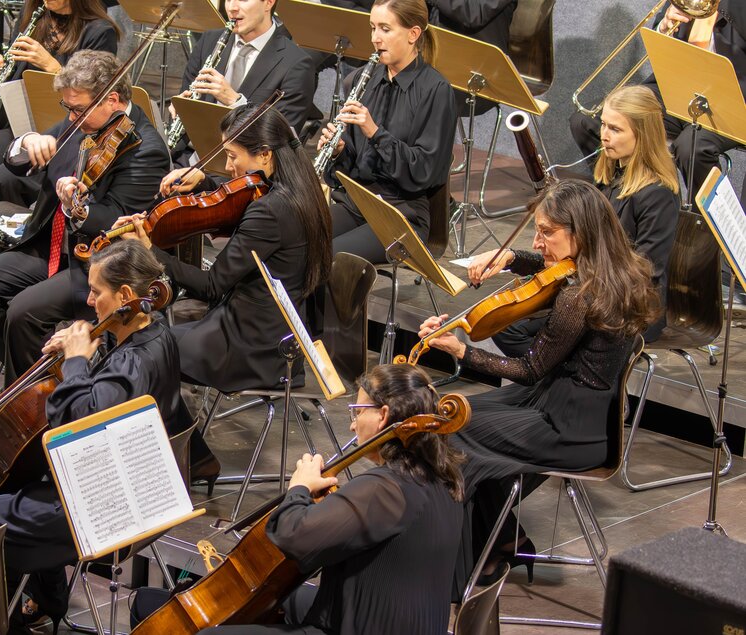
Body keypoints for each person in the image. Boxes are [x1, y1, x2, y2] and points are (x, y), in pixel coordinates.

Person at [418, 180, 660, 584]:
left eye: (547, 232)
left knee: (452, 428)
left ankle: (469, 560)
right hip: (583, 410)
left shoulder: (576, 299)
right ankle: (500, 543)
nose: (538, 240)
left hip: (566, 426)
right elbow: (551, 267)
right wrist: (514, 257)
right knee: (458, 417)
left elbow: (530, 368)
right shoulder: (617, 270)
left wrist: (462, 352)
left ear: (580, 233)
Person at [0, 240, 193, 634]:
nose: (90, 299)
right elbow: (109, 394)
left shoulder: (133, 362)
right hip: (126, 486)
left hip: (96, 505)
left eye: (97, 292)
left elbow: (79, 429)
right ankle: (45, 600)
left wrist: (78, 361)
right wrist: (81, 350)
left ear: (126, 297)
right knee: (20, 487)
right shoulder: (155, 333)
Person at [125, 105, 332, 486]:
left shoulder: (270, 213)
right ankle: (192, 454)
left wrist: (150, 252)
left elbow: (211, 285)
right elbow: (238, 196)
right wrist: (206, 184)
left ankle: (179, 458)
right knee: (149, 346)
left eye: (232, 156)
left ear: (265, 155)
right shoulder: (301, 191)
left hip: (253, 347)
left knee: (144, 352)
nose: (228, 165)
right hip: (274, 331)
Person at [186, 365, 465, 635]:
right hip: (407, 622)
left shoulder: (385, 489)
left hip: (364, 626)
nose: (353, 424)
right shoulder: (445, 478)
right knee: (280, 601)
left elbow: (292, 535)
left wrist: (300, 488)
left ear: (383, 416)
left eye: (357, 411)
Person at [0, 50, 169, 385]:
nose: (71, 118)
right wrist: (28, 140)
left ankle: (40, 396)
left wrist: (76, 208)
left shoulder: (147, 150)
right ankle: (43, 380)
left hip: (96, 264)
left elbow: (115, 220)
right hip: (53, 245)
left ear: (111, 99)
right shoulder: (81, 125)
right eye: (67, 108)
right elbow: (18, 162)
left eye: (78, 109)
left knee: (23, 312)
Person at [489, 84, 679, 356]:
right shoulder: (610, 178)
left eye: (615, 129)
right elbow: (579, 254)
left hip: (629, 308)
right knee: (504, 325)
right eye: (603, 125)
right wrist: (512, 258)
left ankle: (556, 377)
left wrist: (580, 292)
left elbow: (647, 273)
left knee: (533, 337)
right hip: (593, 290)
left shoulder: (658, 195)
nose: (603, 136)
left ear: (643, 135)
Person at [0, 0, 121, 270]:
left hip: (65, 136)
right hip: (22, 126)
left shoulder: (99, 31)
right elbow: (20, 78)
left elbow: (94, 99)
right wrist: (1, 70)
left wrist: (51, 65)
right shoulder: (34, 17)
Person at [318, 0, 456, 264]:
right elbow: (348, 171)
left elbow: (424, 171)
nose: (375, 38)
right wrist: (338, 152)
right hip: (357, 201)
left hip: (402, 213)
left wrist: (375, 132)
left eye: (385, 29)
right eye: (372, 28)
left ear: (413, 34)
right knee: (297, 241)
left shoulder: (436, 90)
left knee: (330, 257)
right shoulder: (359, 80)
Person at [569, 0, 746, 205]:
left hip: (732, 100)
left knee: (693, 147)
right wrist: (664, 26)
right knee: (587, 121)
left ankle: (706, 229)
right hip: (674, 88)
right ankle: (635, 204)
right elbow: (660, 35)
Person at [170, 0, 319, 163]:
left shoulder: (297, 64)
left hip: (243, 171)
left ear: (269, 3)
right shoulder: (209, 40)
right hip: (186, 156)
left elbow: (279, 140)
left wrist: (235, 102)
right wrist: (183, 107)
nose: (232, 8)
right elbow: (185, 99)